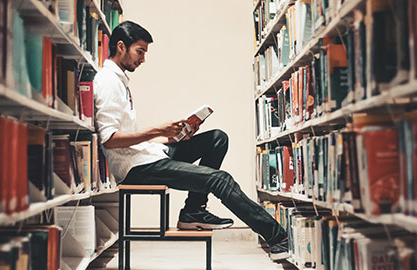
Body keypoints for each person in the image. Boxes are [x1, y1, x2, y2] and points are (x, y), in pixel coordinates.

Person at [93, 21, 289, 260]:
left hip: (147, 155)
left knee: (217, 139)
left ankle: (193, 211)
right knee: (220, 180)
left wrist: (170, 136)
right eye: (140, 51)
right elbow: (110, 139)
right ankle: (279, 238)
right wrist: (157, 130)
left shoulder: (119, 80)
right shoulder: (107, 81)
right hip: (137, 169)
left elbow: (129, 138)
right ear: (121, 47)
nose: (143, 59)